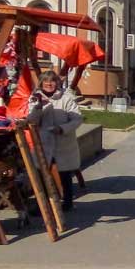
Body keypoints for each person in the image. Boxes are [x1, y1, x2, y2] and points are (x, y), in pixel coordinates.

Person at [27, 71, 84, 212]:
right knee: (43, 175)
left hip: (63, 143)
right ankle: (43, 206)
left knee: (64, 174)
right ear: (41, 83)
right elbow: (31, 120)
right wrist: (38, 108)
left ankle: (67, 202)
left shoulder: (66, 98)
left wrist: (62, 128)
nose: (49, 84)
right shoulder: (35, 98)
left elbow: (77, 119)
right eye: (46, 81)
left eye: (52, 81)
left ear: (57, 83)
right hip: (43, 144)